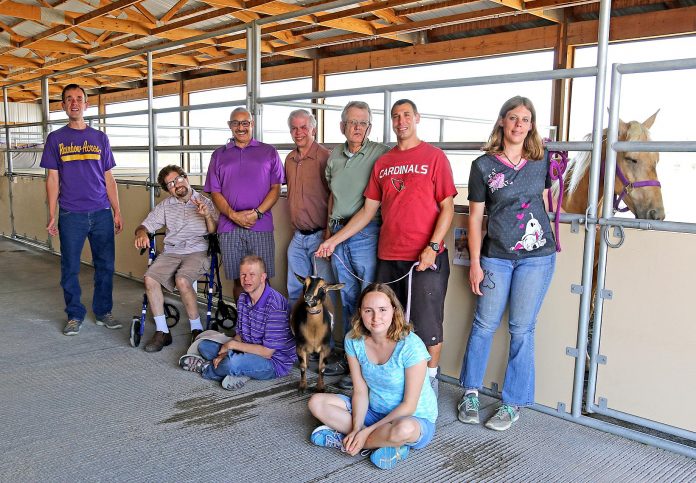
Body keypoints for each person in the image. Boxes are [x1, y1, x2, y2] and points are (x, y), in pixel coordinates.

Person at [318, 99, 457, 398]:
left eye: (406, 115)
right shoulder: (383, 162)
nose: (401, 121)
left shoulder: (434, 157)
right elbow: (368, 212)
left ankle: (429, 383)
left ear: (417, 118)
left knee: (428, 324)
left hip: (424, 256)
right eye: (396, 116)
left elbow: (448, 207)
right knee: (386, 321)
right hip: (388, 255)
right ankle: (386, 381)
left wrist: (433, 246)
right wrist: (333, 239)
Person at [457, 96, 556, 432]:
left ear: (532, 126)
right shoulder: (483, 166)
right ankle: (470, 392)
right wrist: (474, 262)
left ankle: (512, 402)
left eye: (525, 119)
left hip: (536, 258)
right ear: (502, 121)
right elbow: (474, 219)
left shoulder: (541, 161)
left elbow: (548, 201)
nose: (518, 124)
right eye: (512, 118)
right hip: (496, 257)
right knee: (484, 324)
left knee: (522, 330)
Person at [307, 284, 437, 470]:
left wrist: (366, 431)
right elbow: (360, 391)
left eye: (383, 310)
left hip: (412, 417)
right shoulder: (353, 339)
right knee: (316, 402)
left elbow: (409, 405)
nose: (376, 318)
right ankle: (383, 443)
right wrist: (356, 427)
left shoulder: (411, 346)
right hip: (374, 411)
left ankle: (351, 442)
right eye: (369, 310)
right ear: (360, 312)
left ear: (394, 310)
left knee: (403, 429)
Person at [41, 83, 123, 336]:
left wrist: (116, 210)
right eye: (69, 99)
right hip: (70, 214)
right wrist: (52, 213)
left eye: (79, 98)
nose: (74, 103)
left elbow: (109, 178)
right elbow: (52, 179)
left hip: (101, 213)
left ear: (86, 104)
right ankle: (75, 314)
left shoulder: (100, 138)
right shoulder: (56, 139)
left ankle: (103, 311)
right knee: (70, 268)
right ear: (63, 106)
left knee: (105, 266)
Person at [322, 101, 390, 387]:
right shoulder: (334, 155)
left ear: (370, 127)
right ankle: (353, 361)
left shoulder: (380, 154)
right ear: (342, 127)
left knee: (369, 302)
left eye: (363, 123)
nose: (358, 128)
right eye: (352, 122)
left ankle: (368, 367)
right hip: (338, 232)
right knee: (348, 301)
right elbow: (332, 196)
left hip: (366, 233)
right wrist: (329, 232)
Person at [178, 255, 296, 391]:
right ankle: (241, 372)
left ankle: (206, 368)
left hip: (273, 362)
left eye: (252, 274)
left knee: (232, 362)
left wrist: (231, 346)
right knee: (204, 346)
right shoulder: (243, 299)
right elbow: (240, 334)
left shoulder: (276, 306)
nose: (246, 279)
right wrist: (227, 351)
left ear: (263, 277)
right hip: (247, 347)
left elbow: (267, 352)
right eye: (243, 274)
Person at [134, 165, 218, 352]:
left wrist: (207, 216)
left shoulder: (204, 201)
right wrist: (141, 233)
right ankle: (162, 331)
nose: (176, 184)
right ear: (168, 190)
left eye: (178, 179)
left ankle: (197, 329)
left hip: (198, 250)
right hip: (172, 251)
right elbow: (144, 226)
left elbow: (214, 232)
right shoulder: (165, 206)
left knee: (182, 279)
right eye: (170, 184)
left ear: (185, 178)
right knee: (150, 278)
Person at [204, 107, 285, 301]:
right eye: (236, 123)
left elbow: (276, 188)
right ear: (230, 126)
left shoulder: (269, 152)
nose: (241, 127)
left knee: (262, 279)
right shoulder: (219, 155)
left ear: (252, 124)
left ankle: (266, 326)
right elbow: (215, 192)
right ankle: (244, 326)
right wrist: (233, 216)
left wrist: (257, 213)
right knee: (240, 281)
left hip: (261, 225)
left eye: (245, 123)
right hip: (229, 228)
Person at [284, 109, 334, 308]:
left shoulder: (325, 158)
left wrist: (328, 237)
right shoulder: (288, 159)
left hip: (320, 237)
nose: (299, 132)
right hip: (297, 237)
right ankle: (296, 336)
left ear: (313, 128)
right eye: (294, 128)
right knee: (295, 290)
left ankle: (326, 339)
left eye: (303, 127)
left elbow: (334, 197)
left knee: (324, 292)